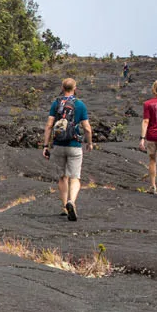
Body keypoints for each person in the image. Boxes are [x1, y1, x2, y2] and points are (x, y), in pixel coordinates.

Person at [42, 77, 92, 221]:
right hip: (74, 145)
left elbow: (49, 125)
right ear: (75, 88)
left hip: (58, 145)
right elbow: (87, 128)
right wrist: (89, 142)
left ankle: (64, 206)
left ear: (63, 88)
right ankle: (72, 201)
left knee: (62, 177)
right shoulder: (80, 105)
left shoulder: (56, 103)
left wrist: (46, 146)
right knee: (75, 177)